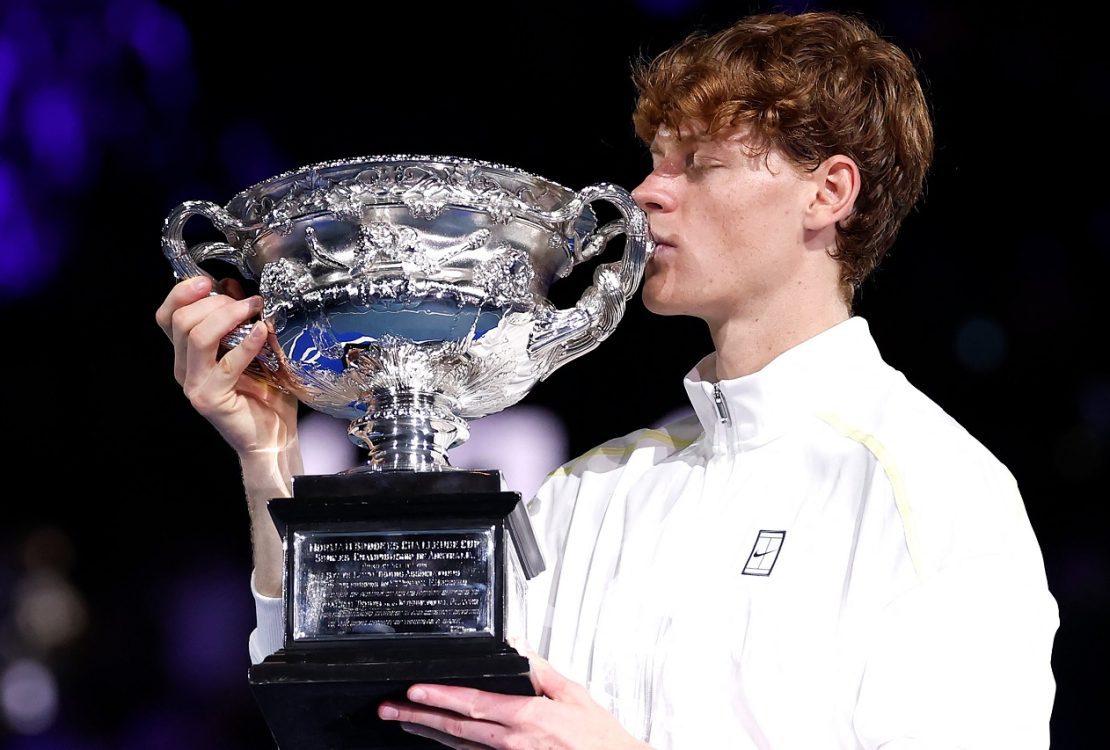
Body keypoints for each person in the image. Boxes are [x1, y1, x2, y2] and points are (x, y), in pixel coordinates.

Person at [156, 9, 1059, 749]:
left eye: (698, 165)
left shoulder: (938, 493)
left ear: (828, 194)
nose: (646, 195)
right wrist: (266, 452)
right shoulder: (589, 494)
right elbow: (352, 701)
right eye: (655, 161)